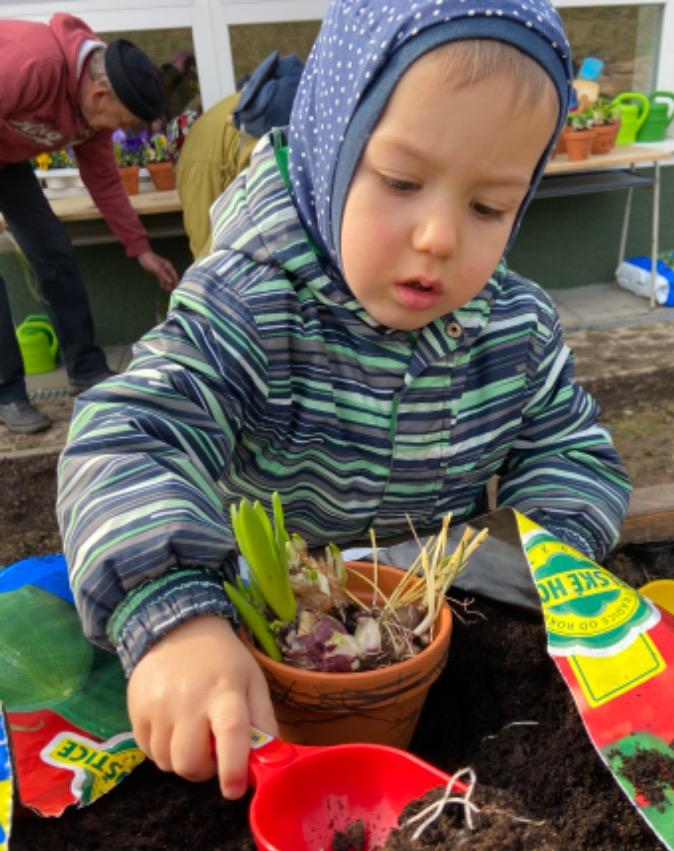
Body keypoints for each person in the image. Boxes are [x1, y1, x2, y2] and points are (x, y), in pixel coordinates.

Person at [58, 0, 631, 800]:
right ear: (331, 150)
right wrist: (174, 616)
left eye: (488, 206)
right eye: (401, 182)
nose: (439, 236)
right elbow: (129, 434)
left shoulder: (516, 330)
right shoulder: (251, 305)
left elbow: (570, 452)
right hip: (269, 661)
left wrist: (540, 568)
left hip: (435, 637)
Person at [0, 14, 180, 434]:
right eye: (125, 123)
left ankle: (86, 370)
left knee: (53, 251)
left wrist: (140, 247)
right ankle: (8, 393)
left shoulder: (92, 109)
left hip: (7, 160)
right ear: (99, 94)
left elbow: (103, 179)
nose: (121, 131)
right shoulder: (31, 64)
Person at [175, 51, 303, 259]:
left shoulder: (282, 111)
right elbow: (206, 250)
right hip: (204, 164)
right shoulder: (260, 134)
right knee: (212, 257)